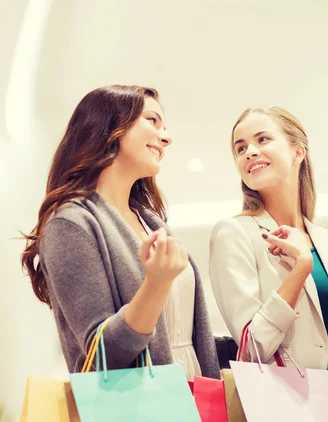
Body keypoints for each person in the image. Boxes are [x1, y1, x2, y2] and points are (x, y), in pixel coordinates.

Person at [21, 85, 220, 381]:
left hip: (196, 399)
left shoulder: (150, 221)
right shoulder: (71, 223)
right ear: (110, 126)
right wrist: (156, 284)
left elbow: (184, 335)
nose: (166, 137)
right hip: (142, 407)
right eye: (152, 120)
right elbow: (101, 357)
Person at [209, 106, 328, 405]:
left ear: (298, 151)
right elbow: (252, 349)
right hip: (288, 404)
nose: (250, 152)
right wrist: (300, 269)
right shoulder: (234, 234)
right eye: (240, 148)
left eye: (263, 139)